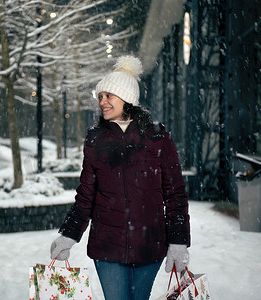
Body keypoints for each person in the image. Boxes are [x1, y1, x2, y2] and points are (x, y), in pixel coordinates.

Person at [50, 55, 190, 300]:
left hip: (150, 243)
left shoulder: (158, 138)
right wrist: (69, 234)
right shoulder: (95, 140)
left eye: (108, 96)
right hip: (107, 246)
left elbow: (175, 193)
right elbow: (86, 195)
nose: (102, 102)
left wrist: (178, 241)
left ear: (127, 98)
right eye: (100, 97)